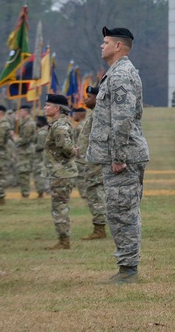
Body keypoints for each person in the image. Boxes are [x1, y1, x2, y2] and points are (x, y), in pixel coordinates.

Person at [86, 26, 150, 284]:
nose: (102, 46)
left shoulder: (121, 74)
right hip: (119, 155)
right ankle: (126, 267)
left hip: (124, 157)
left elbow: (122, 120)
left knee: (123, 212)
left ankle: (128, 271)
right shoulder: (115, 73)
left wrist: (119, 157)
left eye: (106, 42)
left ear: (118, 46)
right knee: (119, 211)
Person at [43, 94, 77, 249]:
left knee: (60, 206)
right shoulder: (58, 124)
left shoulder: (60, 126)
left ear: (57, 108)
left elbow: (67, 147)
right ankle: (63, 239)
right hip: (60, 172)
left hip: (61, 172)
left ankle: (64, 241)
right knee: (59, 205)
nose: (45, 107)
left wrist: (72, 151)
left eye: (48, 105)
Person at [76, 86, 108, 240]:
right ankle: (99, 226)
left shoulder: (99, 115)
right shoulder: (94, 114)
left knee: (95, 192)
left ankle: (100, 229)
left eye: (89, 96)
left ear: (98, 98)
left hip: (96, 160)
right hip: (90, 159)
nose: (85, 99)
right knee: (93, 192)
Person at [13, 103, 36, 198]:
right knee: (22, 172)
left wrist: (16, 140)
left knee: (24, 172)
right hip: (23, 150)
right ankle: (24, 192)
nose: (19, 113)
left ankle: (25, 193)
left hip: (26, 151)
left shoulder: (29, 124)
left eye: (21, 111)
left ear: (26, 111)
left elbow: (26, 139)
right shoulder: (24, 122)